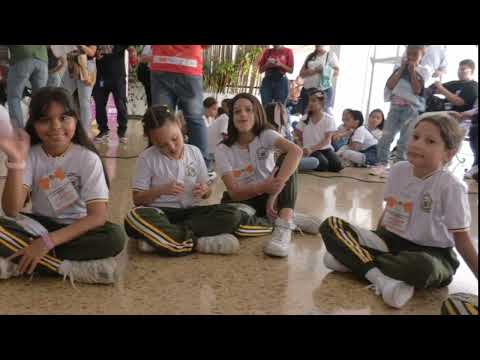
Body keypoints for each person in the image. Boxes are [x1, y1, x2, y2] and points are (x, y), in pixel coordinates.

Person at [320, 113, 477, 309]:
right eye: (415, 137)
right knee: (331, 225)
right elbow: (390, 209)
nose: (418, 144)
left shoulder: (451, 186)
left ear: (449, 153)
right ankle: (380, 278)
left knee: (422, 268)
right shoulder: (398, 170)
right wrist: (376, 235)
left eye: (430, 141)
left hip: (432, 255)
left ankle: (355, 261)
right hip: (389, 241)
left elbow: (461, 238)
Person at [0, 87, 126, 283]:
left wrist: (46, 243)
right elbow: (11, 209)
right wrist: (16, 160)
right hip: (39, 226)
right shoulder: (31, 155)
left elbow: (97, 217)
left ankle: (20, 261)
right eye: (45, 120)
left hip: (79, 231)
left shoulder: (88, 158)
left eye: (64, 118)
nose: (55, 126)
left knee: (115, 236)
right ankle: (70, 268)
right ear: (33, 124)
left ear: (76, 119)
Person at [124, 105, 271, 256]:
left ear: (179, 126)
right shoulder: (146, 158)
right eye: (163, 145)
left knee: (231, 214)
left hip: (191, 214)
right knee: (134, 216)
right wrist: (161, 190)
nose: (172, 147)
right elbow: (138, 199)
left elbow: (207, 191)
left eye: (175, 139)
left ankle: (161, 238)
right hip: (161, 213)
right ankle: (199, 242)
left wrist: (205, 190)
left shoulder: (194, 152)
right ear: (153, 142)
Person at [215, 93, 321, 258]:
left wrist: (274, 193)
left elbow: (296, 151)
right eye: (237, 111)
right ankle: (286, 218)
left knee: (288, 160)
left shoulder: (265, 135)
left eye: (249, 110)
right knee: (234, 221)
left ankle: (283, 225)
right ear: (231, 117)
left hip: (271, 194)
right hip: (242, 200)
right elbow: (234, 192)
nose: (243, 114)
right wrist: (262, 187)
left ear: (257, 114)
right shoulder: (223, 149)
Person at [370, 45, 429, 177]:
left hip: (411, 109)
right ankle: (382, 164)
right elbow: (390, 85)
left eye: (415, 54)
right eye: (409, 53)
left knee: (404, 139)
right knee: (386, 136)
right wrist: (402, 69)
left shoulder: (424, 71)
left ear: (422, 56)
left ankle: (398, 167)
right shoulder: (398, 68)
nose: (411, 57)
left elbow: (417, 90)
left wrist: (413, 71)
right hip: (395, 106)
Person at [149, 45, 210, 161]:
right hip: (189, 64)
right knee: (195, 119)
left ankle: (161, 165)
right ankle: (204, 166)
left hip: (161, 62)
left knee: (161, 118)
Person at [295, 89, 343, 172]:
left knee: (337, 165)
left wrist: (312, 148)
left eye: (313, 101)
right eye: (309, 100)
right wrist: (303, 147)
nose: (310, 103)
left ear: (321, 103)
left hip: (324, 148)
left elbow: (327, 140)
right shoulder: (305, 118)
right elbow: (298, 134)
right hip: (309, 149)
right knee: (323, 164)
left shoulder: (329, 119)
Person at [93, 45, 130, 144]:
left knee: (120, 104)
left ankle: (122, 131)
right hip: (101, 76)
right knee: (99, 103)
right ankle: (103, 130)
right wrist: (95, 53)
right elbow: (90, 50)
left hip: (118, 76)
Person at [6, 46, 48, 128]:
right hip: (42, 60)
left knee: (14, 98)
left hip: (21, 56)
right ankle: (38, 129)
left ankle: (19, 131)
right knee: (39, 99)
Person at [62, 45, 97, 137]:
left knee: (84, 102)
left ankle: (85, 132)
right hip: (71, 65)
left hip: (86, 65)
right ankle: (66, 127)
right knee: (64, 97)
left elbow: (92, 52)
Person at [298, 45, 340, 114]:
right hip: (307, 89)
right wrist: (315, 70)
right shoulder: (310, 56)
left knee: (321, 114)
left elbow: (337, 72)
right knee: (305, 114)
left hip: (323, 90)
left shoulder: (330, 55)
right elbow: (301, 74)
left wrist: (324, 70)